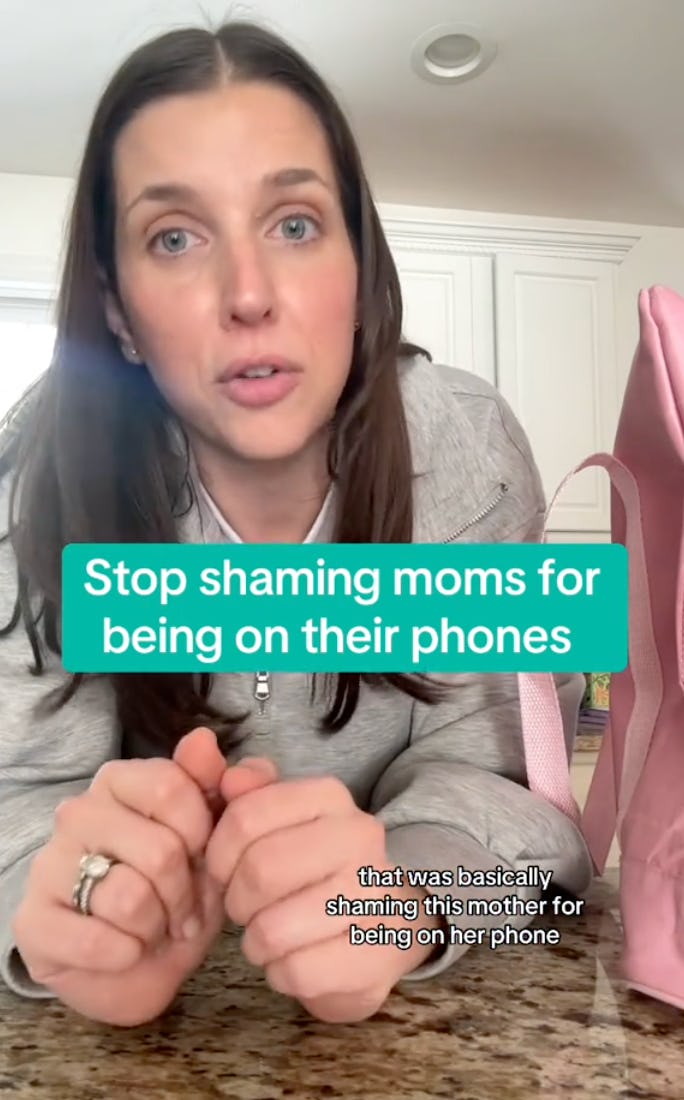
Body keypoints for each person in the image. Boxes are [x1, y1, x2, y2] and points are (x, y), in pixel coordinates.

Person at [0, 19, 592, 1027]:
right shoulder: (34, 467)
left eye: (295, 223)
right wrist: (52, 919)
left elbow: (546, 833)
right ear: (118, 312)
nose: (248, 295)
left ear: (358, 265)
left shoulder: (471, 449)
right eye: (175, 237)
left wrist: (404, 903)